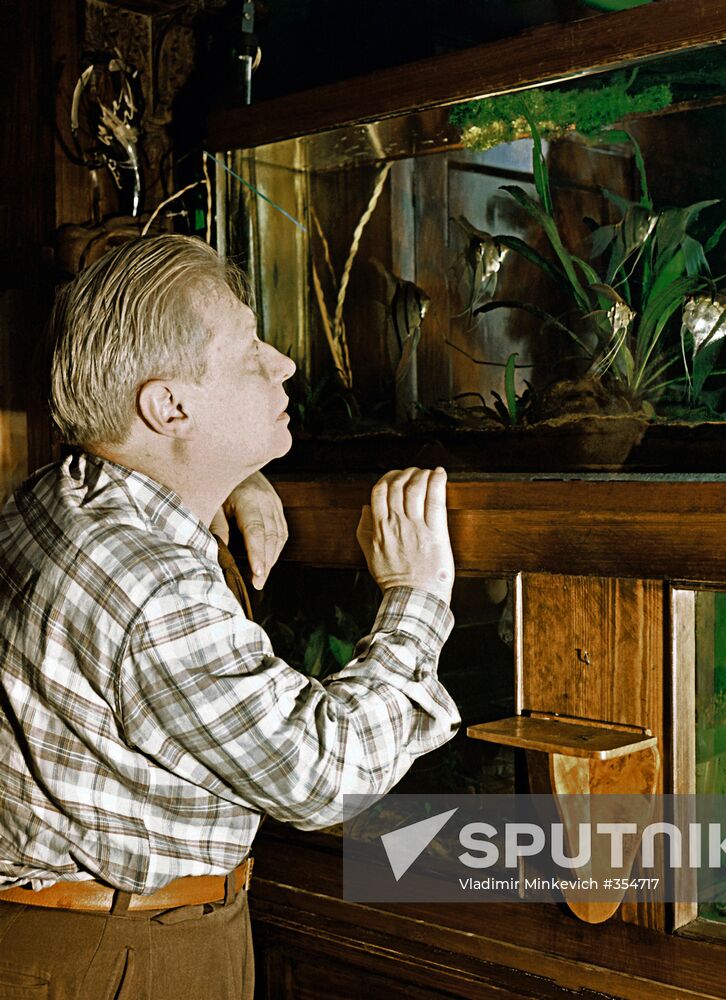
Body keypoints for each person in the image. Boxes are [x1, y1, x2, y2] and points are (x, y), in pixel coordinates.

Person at [0, 235, 460, 999]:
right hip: (123, 956)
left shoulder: (56, 493)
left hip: (71, 933)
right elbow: (324, 776)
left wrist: (230, 477)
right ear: (169, 405)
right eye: (251, 350)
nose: (280, 363)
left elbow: (150, 473)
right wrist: (416, 593)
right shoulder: (149, 585)